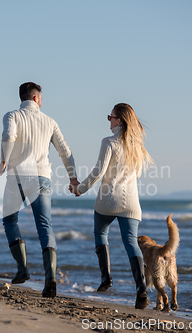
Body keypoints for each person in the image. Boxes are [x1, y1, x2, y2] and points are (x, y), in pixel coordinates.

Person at [0, 82, 79, 298]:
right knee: (44, 225)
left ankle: (22, 269)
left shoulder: (12, 116)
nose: (42, 101)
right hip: (42, 176)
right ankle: (50, 278)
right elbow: (65, 151)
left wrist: (4, 160)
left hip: (18, 176)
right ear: (35, 98)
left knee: (9, 220)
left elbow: (8, 136)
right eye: (41, 98)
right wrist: (73, 178)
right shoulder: (49, 121)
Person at [70, 103, 153, 309]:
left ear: (119, 121)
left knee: (100, 232)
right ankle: (141, 291)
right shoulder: (138, 146)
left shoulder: (109, 142)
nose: (109, 120)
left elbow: (98, 172)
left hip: (108, 201)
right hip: (131, 204)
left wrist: (80, 188)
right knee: (131, 242)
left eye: (110, 117)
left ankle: (106, 278)